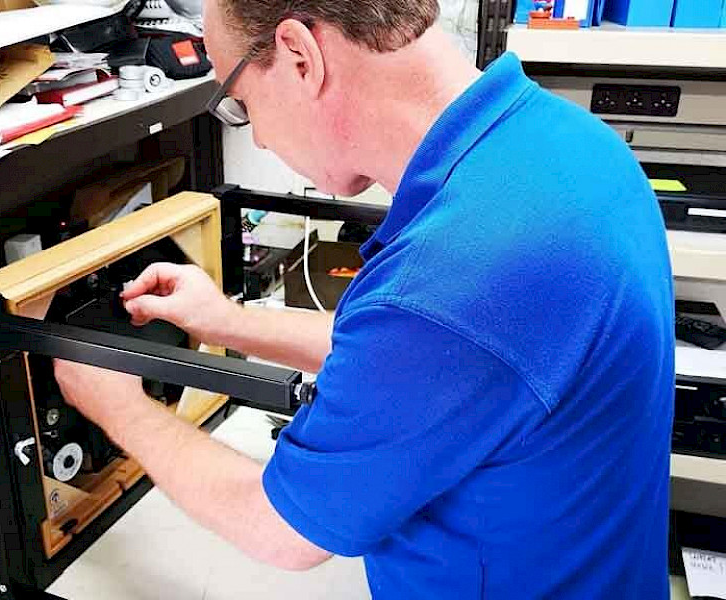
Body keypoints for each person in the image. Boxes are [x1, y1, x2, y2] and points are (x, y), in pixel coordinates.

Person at [54, 0, 675, 597]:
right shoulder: (565, 143)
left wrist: (120, 408)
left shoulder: (454, 277)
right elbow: (428, 366)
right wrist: (227, 321)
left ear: (300, 55)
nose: (261, 139)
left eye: (240, 103)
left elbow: (280, 529)